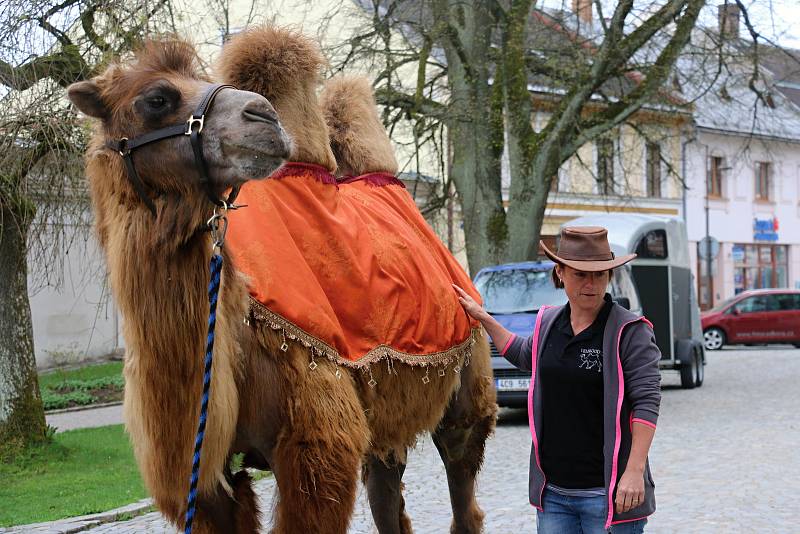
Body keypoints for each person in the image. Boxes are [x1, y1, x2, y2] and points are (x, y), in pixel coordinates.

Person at [454, 226, 661, 534]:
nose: (591, 284)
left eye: (600, 275)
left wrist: (634, 471)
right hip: (554, 496)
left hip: (607, 494)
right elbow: (525, 353)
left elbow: (646, 402)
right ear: (560, 273)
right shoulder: (548, 322)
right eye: (580, 274)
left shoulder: (629, 331)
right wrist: (482, 317)